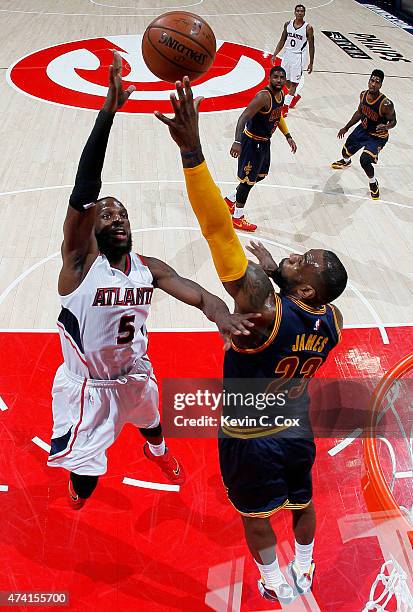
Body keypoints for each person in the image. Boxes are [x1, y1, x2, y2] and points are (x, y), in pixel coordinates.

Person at [155, 78, 347, 604]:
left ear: (303, 286)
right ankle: (304, 568)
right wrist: (287, 278)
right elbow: (309, 302)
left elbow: (218, 230)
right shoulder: (333, 321)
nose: (296, 253)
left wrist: (192, 151)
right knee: (302, 503)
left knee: (257, 517)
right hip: (296, 425)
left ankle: (272, 581)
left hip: (248, 434)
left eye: (303, 260)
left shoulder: (261, 305)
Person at [47, 51, 259, 510]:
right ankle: (80, 490)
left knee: (153, 422)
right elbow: (85, 189)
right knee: (85, 481)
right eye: (106, 213)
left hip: (135, 373)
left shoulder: (150, 267)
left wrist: (221, 316)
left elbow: (200, 294)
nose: (116, 215)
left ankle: (157, 451)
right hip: (90, 389)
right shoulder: (80, 266)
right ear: (92, 228)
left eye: (121, 211)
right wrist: (107, 113)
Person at [224, 66, 297, 232]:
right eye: (275, 77)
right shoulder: (263, 97)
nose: (279, 80)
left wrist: (288, 136)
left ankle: (230, 200)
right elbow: (243, 117)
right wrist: (237, 141)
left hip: (264, 142)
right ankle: (237, 217)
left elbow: (278, 117)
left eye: (281, 77)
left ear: (285, 80)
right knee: (247, 181)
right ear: (269, 78)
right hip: (251, 143)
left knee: (260, 176)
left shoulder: (281, 94)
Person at [331, 69, 396, 200]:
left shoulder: (386, 104)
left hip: (377, 137)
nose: (373, 84)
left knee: (364, 161)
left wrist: (387, 126)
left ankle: (373, 183)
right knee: (345, 152)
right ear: (368, 81)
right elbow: (359, 112)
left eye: (377, 82)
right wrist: (346, 127)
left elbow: (394, 121)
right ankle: (346, 161)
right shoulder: (363, 95)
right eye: (372, 80)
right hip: (363, 130)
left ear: (381, 85)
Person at [271, 4, 315, 116]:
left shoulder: (308, 28)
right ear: (294, 12)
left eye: (302, 11)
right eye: (298, 11)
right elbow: (282, 40)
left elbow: (311, 46)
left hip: (299, 56)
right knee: (284, 80)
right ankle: (294, 96)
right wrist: (275, 54)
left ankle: (285, 108)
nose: (300, 13)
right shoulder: (288, 24)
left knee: (294, 83)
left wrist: (311, 62)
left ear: (304, 13)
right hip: (287, 55)